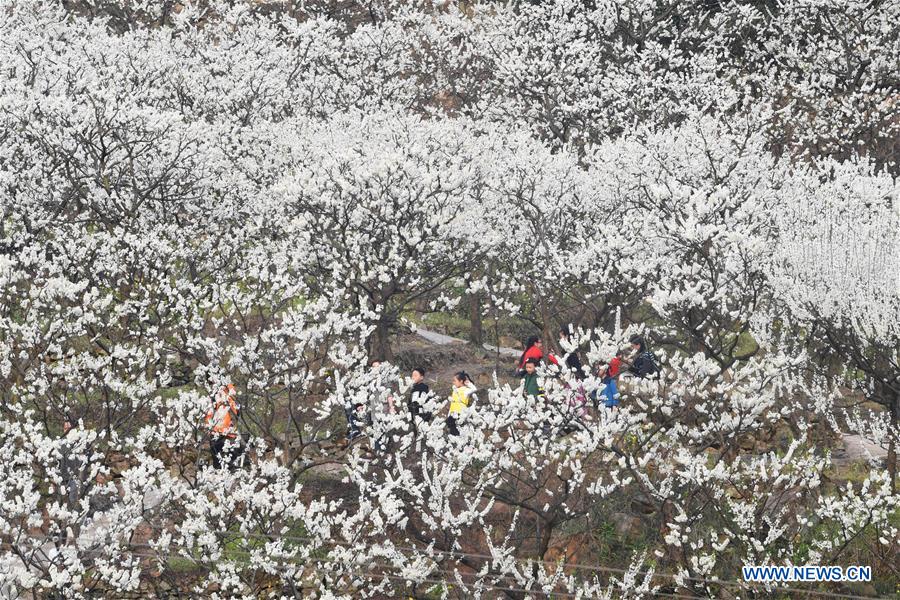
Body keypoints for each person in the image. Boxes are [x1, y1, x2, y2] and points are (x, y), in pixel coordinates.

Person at [206, 383, 241, 470]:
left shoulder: (220, 397)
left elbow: (208, 416)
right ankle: (226, 468)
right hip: (223, 431)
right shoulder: (226, 398)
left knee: (218, 456)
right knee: (229, 452)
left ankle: (222, 468)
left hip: (221, 431)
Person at [447, 371, 477, 436]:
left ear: (461, 381)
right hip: (452, 415)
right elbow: (453, 403)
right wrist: (449, 414)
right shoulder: (455, 390)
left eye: (455, 381)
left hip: (460, 415)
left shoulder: (465, 390)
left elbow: (474, 389)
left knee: (458, 433)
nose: (453, 382)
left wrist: (467, 382)